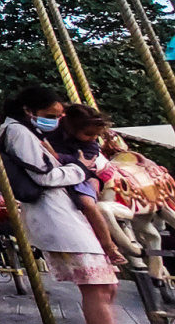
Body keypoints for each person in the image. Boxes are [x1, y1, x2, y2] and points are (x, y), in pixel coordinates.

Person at [0, 84, 174, 324]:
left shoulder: (27, 131)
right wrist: (81, 169)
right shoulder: (18, 133)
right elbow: (44, 177)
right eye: (51, 115)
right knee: (97, 288)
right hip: (57, 217)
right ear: (29, 110)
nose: (56, 120)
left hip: (65, 214)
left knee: (107, 288)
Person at [44, 104, 127, 266]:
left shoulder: (91, 145)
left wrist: (57, 156)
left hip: (78, 175)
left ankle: (109, 245)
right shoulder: (53, 131)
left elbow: (85, 161)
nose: (93, 137)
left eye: (96, 135)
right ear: (71, 127)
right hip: (52, 174)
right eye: (89, 134)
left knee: (87, 204)